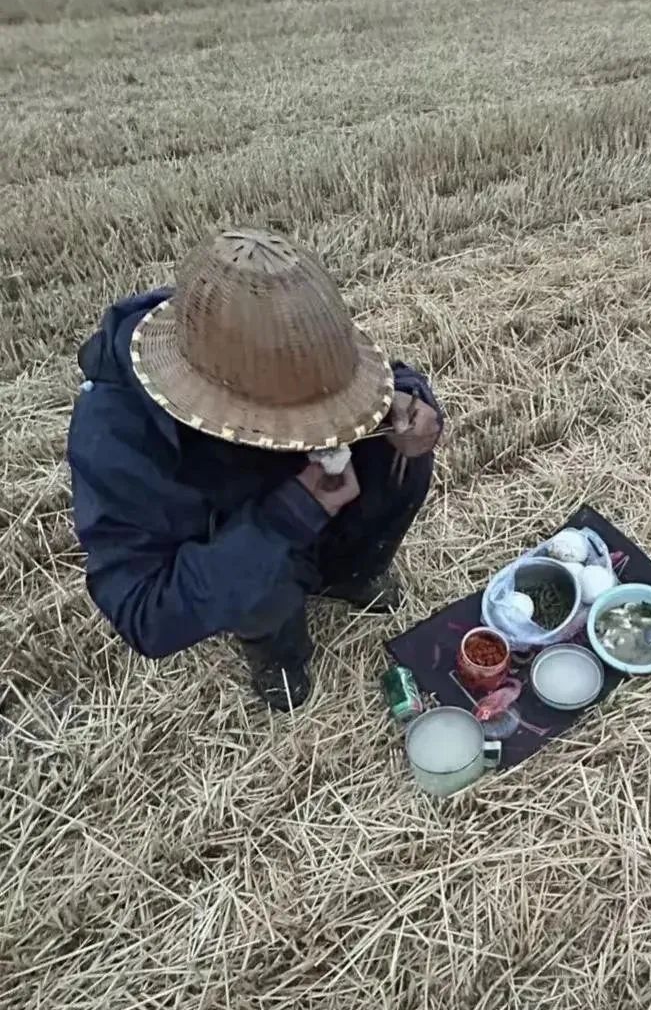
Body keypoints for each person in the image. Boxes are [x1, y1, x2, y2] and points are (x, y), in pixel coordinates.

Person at [67, 228, 442, 711]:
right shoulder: (115, 439)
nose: (305, 429)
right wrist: (287, 516)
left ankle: (353, 572)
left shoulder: (280, 330)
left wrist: (412, 406)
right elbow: (145, 614)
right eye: (286, 419)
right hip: (242, 535)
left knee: (397, 454)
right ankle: (278, 650)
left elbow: (379, 379)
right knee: (253, 568)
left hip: (306, 498)